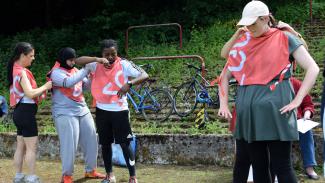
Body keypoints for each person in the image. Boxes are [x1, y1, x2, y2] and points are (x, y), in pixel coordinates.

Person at [218, 1, 319, 183]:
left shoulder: (284, 37)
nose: (249, 27)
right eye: (247, 24)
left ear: (265, 19)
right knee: (259, 166)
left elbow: (313, 68)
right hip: (249, 113)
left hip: (276, 110)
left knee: (282, 165)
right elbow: (225, 68)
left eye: (253, 23)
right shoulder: (245, 41)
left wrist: (298, 100)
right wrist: (223, 103)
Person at [75, 39, 149, 183]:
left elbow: (144, 75)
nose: (110, 57)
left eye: (113, 54)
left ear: (117, 53)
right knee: (105, 143)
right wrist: (97, 59)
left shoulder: (124, 64)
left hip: (120, 111)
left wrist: (129, 83)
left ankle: (133, 176)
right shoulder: (95, 65)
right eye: (106, 54)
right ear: (102, 54)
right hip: (102, 110)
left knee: (125, 144)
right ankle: (110, 175)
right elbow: (78, 60)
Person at [48, 47, 108, 183]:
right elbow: (68, 82)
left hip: (82, 109)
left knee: (92, 139)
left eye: (74, 60)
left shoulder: (75, 70)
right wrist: (86, 69)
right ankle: (67, 175)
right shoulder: (55, 73)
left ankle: (91, 170)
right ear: (63, 59)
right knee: (69, 144)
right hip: (64, 112)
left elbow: (87, 87)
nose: (73, 63)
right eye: (70, 60)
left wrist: (92, 75)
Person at [7, 42, 52, 183]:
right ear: (23, 55)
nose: (33, 58)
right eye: (31, 56)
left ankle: (18, 175)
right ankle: (32, 177)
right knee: (31, 147)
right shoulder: (21, 72)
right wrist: (46, 86)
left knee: (20, 146)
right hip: (26, 113)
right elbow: (30, 93)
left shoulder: (14, 69)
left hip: (19, 113)